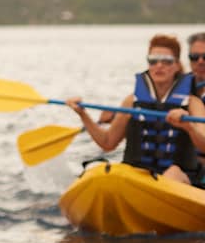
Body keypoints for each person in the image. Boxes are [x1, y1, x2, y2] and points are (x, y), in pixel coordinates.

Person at [66, 34, 201, 186]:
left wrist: (189, 127)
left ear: (176, 65)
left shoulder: (192, 103)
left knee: (173, 172)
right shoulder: (131, 102)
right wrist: (82, 114)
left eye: (166, 61)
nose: (159, 65)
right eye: (153, 61)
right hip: (137, 176)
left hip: (177, 180)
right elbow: (108, 142)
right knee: (102, 169)